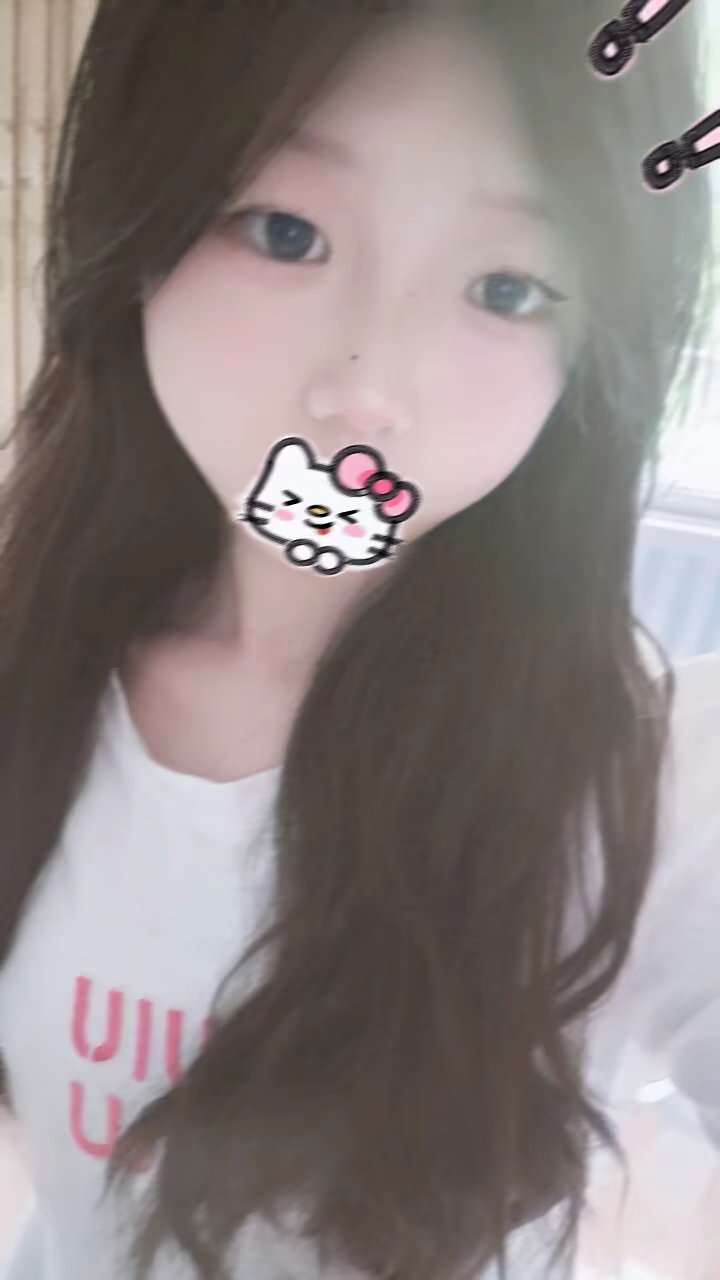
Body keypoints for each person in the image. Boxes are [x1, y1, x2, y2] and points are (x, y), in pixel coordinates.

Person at [0, 1, 716, 1278]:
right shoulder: (37, 650)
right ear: (140, 228)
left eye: (505, 288)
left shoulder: (643, 779)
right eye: (287, 231)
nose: (366, 393)